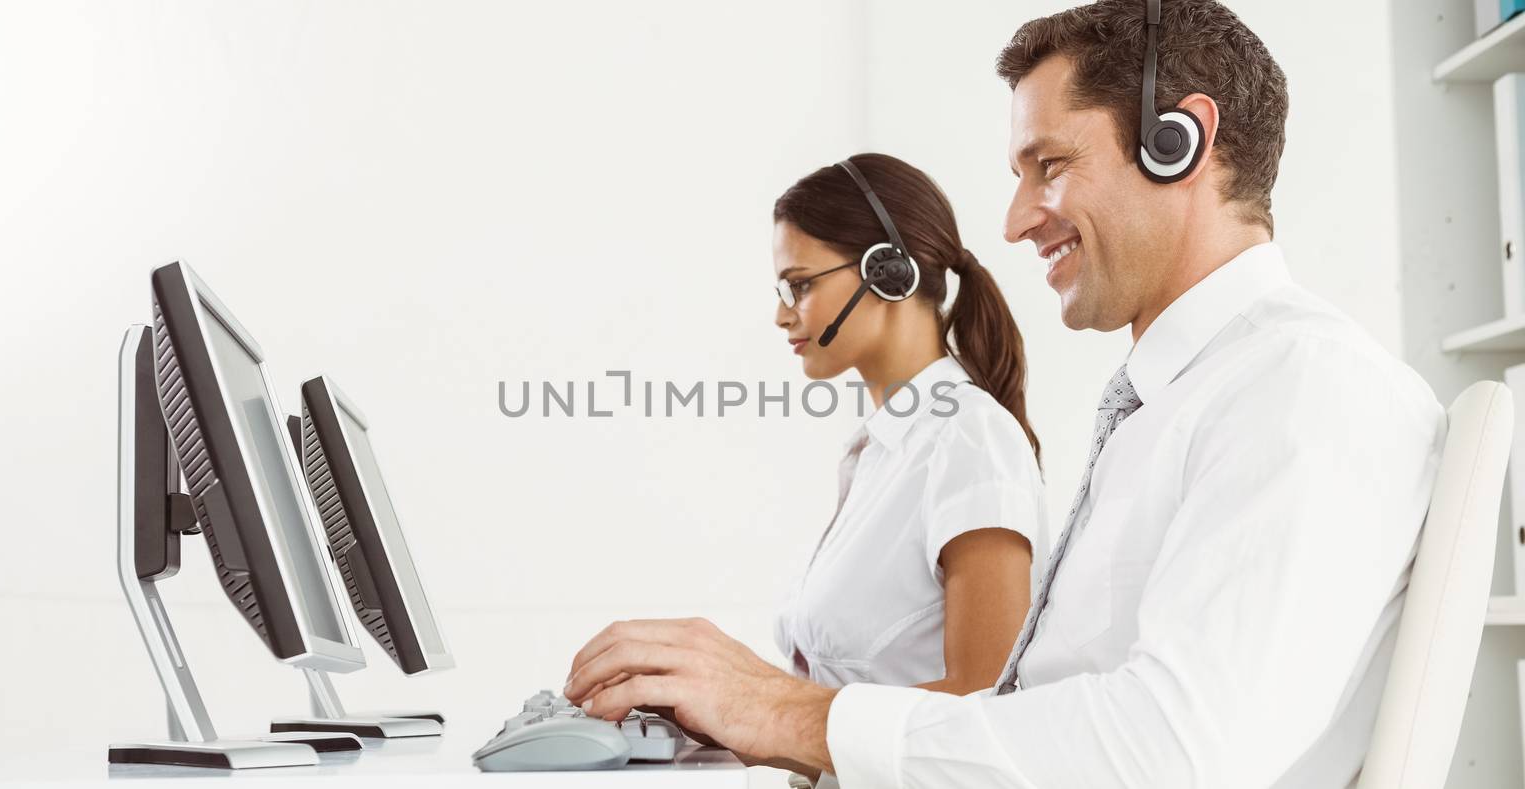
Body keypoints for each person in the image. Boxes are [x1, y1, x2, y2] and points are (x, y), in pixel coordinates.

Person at [562, 2, 1446, 787]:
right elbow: (1032, 713)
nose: (1016, 220)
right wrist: (766, 718)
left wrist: (785, 713)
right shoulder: (1173, 402)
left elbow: (1172, 751)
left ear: (1179, 139)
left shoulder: (1305, 388)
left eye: (1048, 165)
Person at [767, 154, 1047, 781]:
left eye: (801, 284)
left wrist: (769, 715)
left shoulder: (968, 440)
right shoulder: (884, 450)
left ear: (886, 273)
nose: (783, 314)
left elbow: (987, 703)